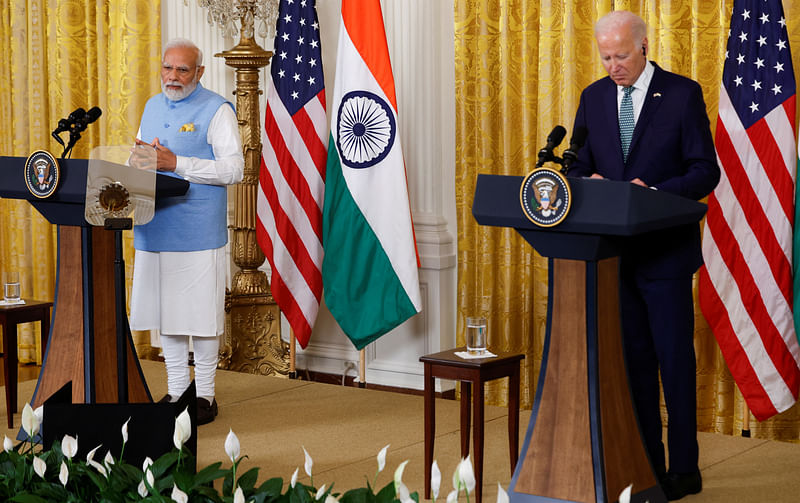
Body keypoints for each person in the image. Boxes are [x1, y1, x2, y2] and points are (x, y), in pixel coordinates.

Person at [569, 11, 720, 501]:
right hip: (614, 255)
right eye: (606, 56)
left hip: (666, 254)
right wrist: (583, 182)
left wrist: (650, 190)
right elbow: (580, 163)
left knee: (673, 361)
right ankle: (648, 463)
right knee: (632, 362)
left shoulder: (681, 95)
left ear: (644, 46)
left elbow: (704, 172)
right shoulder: (593, 98)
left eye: (621, 55)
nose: (613, 66)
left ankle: (685, 468)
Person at [130, 38, 243, 425]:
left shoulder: (217, 109)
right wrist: (139, 159)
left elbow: (234, 170)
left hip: (197, 232)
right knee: (169, 316)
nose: (173, 77)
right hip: (154, 224)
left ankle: (205, 396)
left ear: (199, 72)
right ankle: (177, 391)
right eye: (167, 68)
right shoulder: (152, 105)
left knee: (201, 316)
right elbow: (143, 156)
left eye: (182, 69)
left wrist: (176, 162)